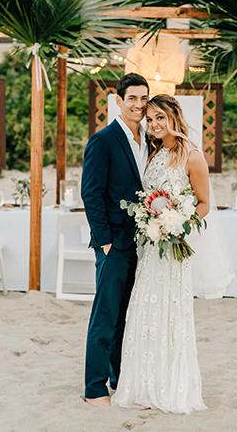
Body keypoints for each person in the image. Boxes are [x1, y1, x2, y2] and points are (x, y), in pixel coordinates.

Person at [112, 94, 225, 414]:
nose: (153, 124)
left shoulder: (192, 156)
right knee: (143, 309)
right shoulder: (153, 153)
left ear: (174, 116)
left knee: (169, 312)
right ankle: (141, 385)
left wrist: (178, 225)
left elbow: (203, 203)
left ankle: (169, 385)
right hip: (149, 248)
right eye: (149, 119)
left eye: (159, 117)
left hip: (173, 249)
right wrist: (153, 223)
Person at [80, 73, 150, 407]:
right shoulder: (103, 140)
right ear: (118, 100)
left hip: (143, 243)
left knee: (128, 316)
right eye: (132, 98)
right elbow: (91, 194)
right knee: (105, 316)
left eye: (144, 99)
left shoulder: (148, 140)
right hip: (114, 244)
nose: (139, 105)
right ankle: (94, 388)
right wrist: (104, 241)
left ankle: (119, 379)